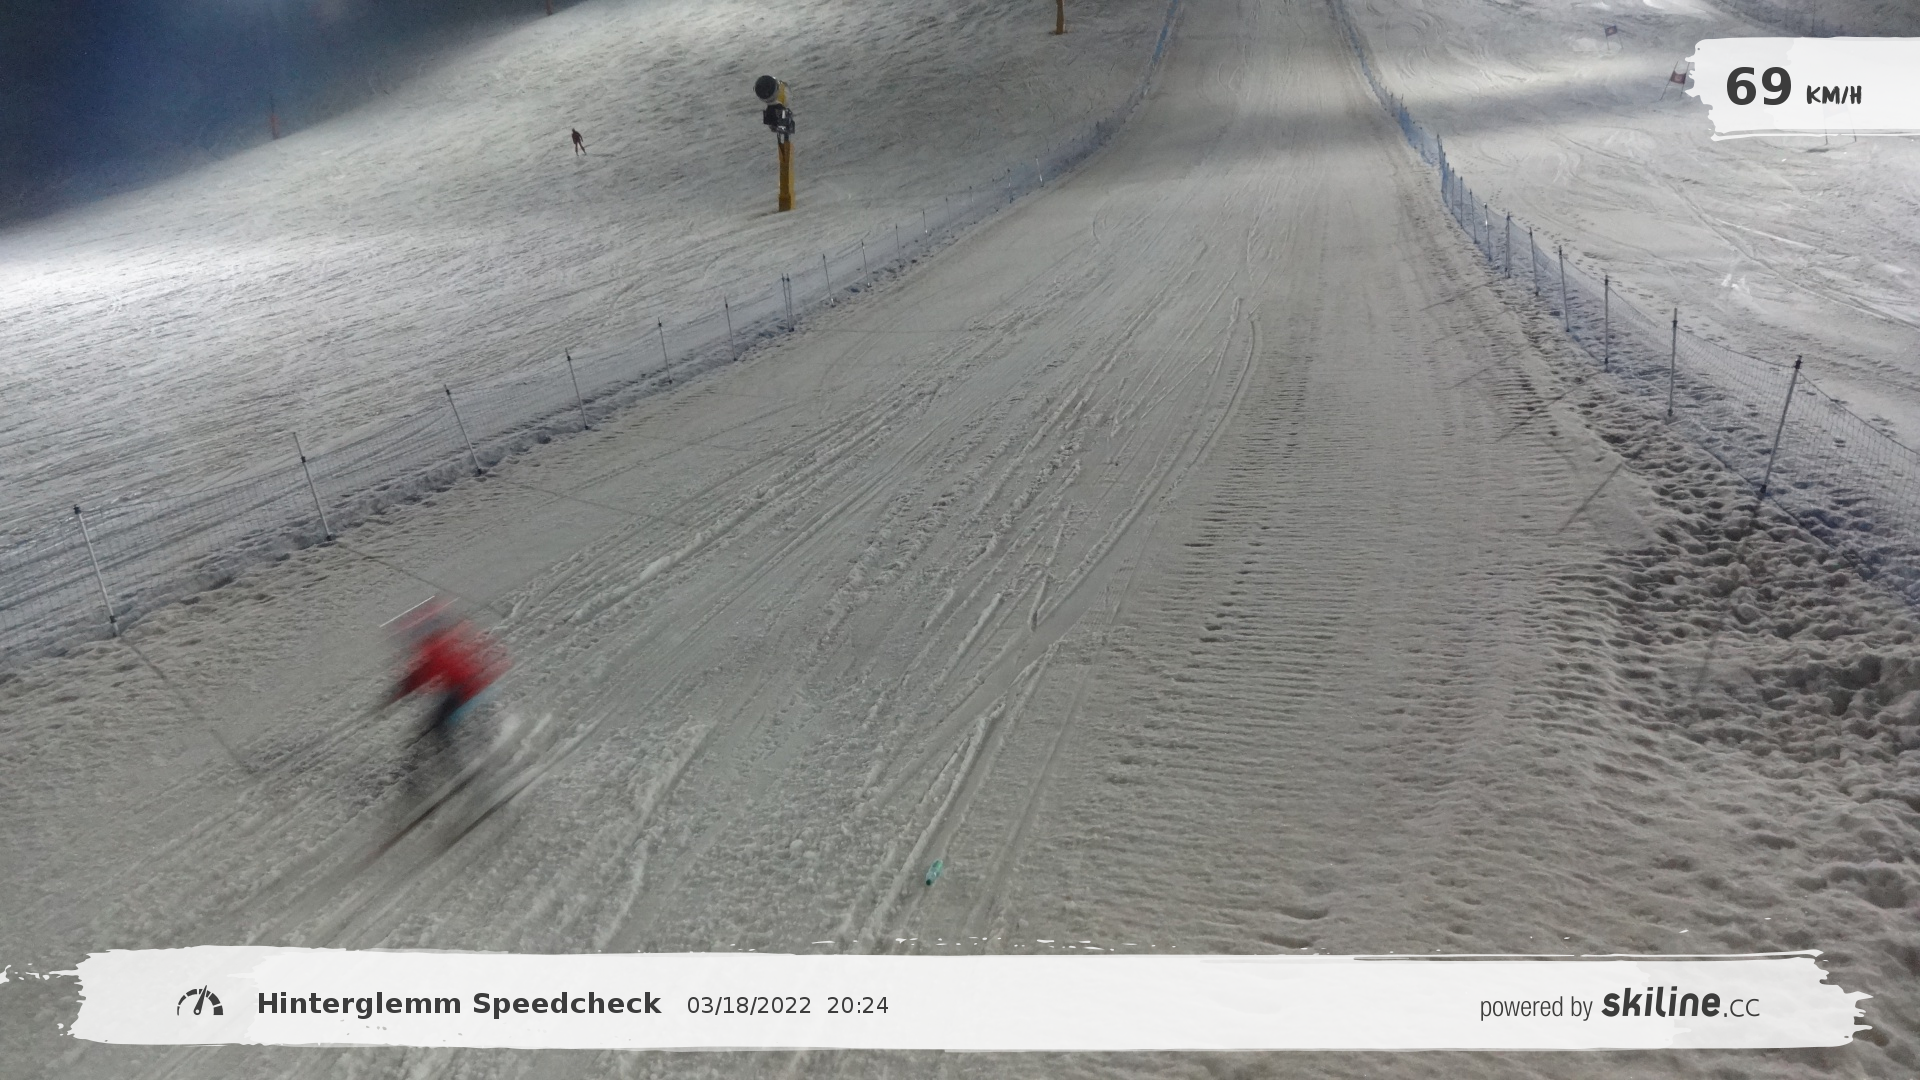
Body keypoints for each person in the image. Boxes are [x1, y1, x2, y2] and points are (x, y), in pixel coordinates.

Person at [388, 605, 505, 741]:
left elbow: (422, 674)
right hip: (472, 682)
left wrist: (401, 692)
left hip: (466, 688)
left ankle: (444, 743)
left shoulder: (435, 651)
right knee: (441, 718)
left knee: (441, 722)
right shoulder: (445, 641)